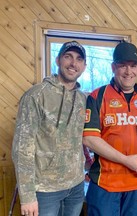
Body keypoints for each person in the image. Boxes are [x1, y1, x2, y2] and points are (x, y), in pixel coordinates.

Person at [12, 40, 87, 216]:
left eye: (78, 59)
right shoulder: (36, 95)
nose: (73, 63)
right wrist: (28, 196)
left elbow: (80, 139)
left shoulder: (83, 99)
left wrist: (87, 166)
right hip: (45, 190)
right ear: (58, 60)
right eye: (68, 57)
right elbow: (22, 149)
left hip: (76, 187)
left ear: (84, 66)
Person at [83, 41, 137, 216]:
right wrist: (125, 160)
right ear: (113, 67)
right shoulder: (97, 96)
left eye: (133, 66)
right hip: (106, 183)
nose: (128, 72)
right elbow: (89, 139)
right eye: (123, 66)